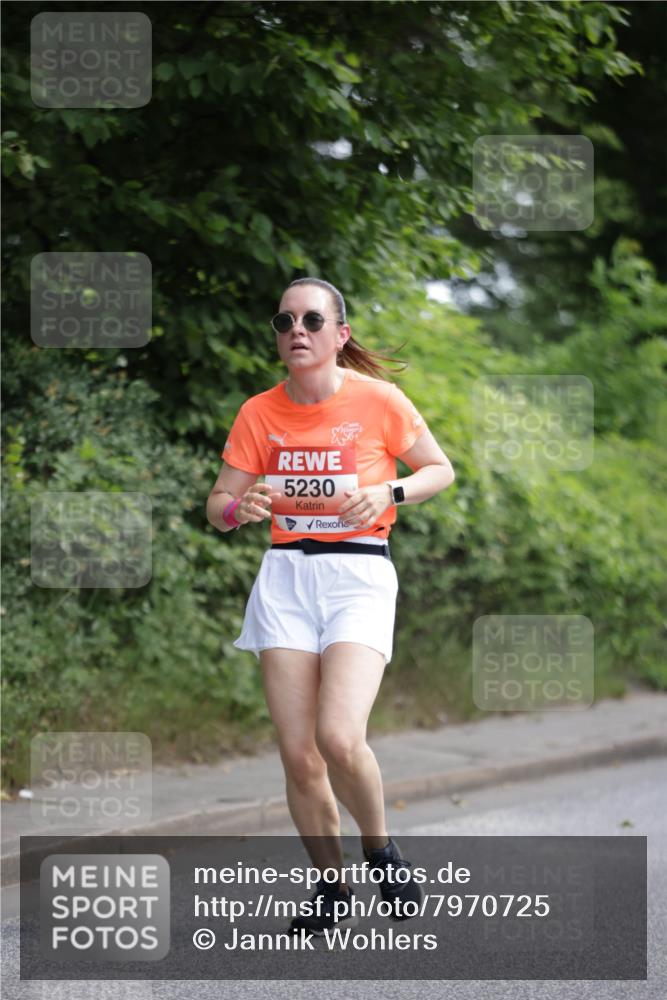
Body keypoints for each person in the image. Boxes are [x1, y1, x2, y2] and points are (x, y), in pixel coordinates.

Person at [206, 277, 455, 934]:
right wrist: (239, 508)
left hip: (358, 577)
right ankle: (330, 887)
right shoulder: (259, 412)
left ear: (339, 334)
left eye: (312, 320)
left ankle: (379, 848)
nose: (297, 331)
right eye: (284, 320)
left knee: (338, 737)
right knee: (298, 755)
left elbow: (439, 469)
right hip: (285, 579)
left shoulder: (379, 400)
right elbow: (217, 504)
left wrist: (389, 495)